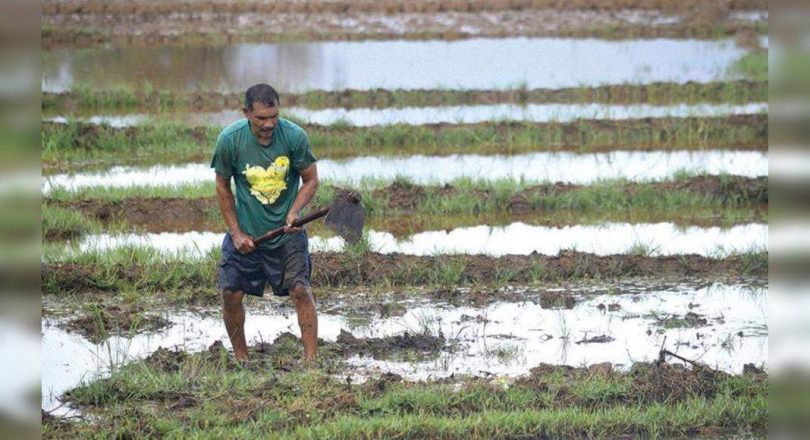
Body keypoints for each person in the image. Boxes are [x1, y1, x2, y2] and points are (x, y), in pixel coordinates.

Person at [211, 83, 319, 363]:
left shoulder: (295, 137)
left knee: (300, 289)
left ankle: (311, 361)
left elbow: (311, 179)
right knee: (231, 292)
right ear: (246, 113)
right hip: (246, 232)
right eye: (261, 118)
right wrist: (236, 233)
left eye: (274, 117)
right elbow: (222, 186)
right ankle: (242, 358)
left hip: (287, 233)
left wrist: (295, 211)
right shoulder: (230, 140)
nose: (269, 124)